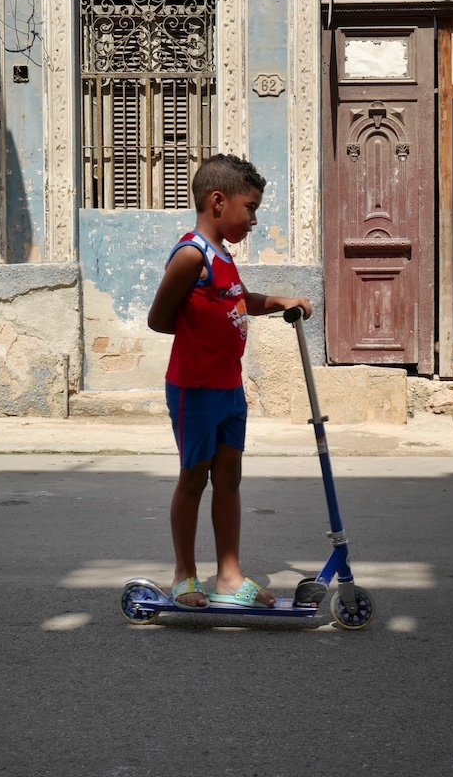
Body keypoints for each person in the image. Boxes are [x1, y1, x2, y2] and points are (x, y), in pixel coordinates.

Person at [148, 153, 313, 609]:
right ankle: (185, 575)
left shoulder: (223, 257)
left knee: (230, 479)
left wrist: (279, 301)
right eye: (251, 207)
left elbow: (240, 301)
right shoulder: (191, 256)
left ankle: (228, 575)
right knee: (193, 478)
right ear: (218, 201)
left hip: (228, 389)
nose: (255, 219)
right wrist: (203, 332)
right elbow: (159, 319)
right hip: (194, 389)